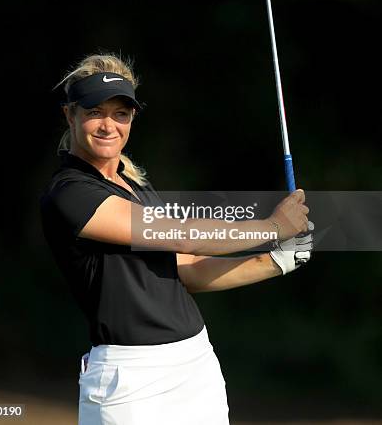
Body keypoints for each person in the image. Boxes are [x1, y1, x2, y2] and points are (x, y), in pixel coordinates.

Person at [40, 52, 313, 425]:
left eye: (121, 114)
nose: (108, 125)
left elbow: (188, 270)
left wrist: (275, 261)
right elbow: (178, 234)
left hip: (195, 363)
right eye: (94, 112)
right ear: (70, 115)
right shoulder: (69, 192)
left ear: (132, 118)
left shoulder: (135, 185)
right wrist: (272, 227)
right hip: (129, 381)